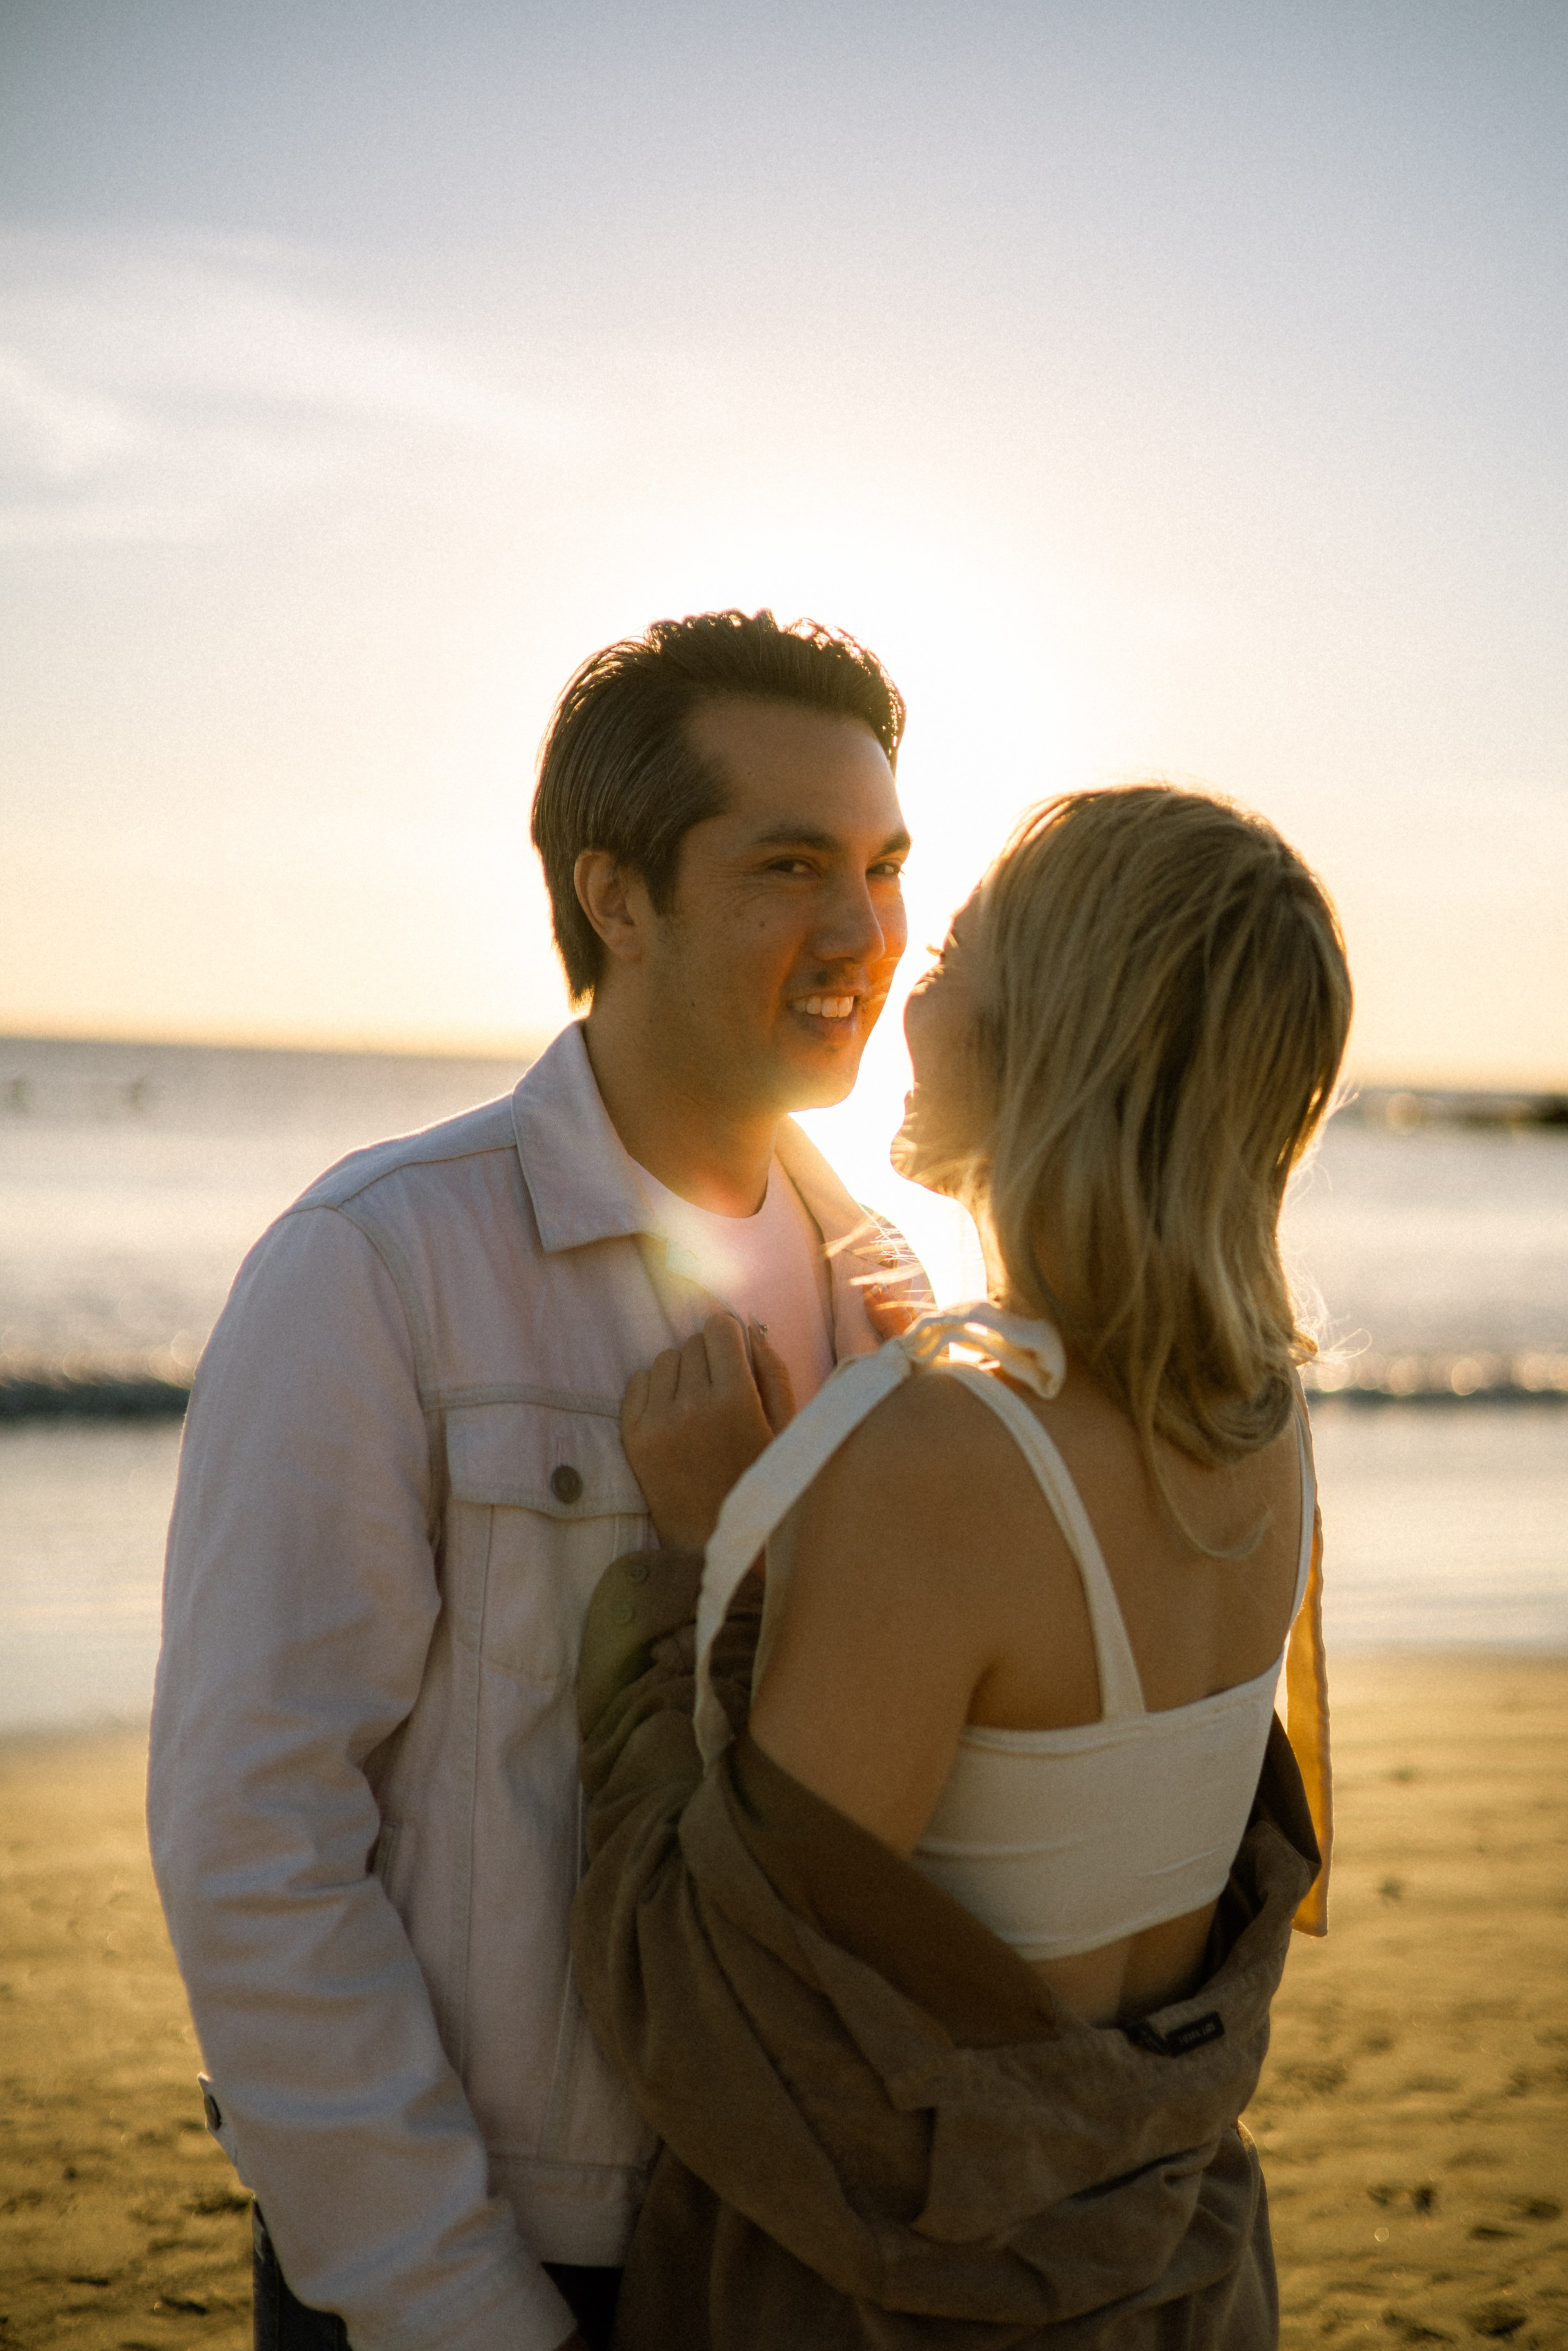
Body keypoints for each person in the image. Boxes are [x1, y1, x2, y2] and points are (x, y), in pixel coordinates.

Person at [147, 609, 931, 2351]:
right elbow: (253, 1833)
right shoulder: (378, 1262)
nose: (862, 930)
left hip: (798, 2244)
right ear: (617, 896)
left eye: (883, 866)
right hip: (496, 2249)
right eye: (790, 864)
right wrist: (453, 2299)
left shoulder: (888, 1291)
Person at [568, 782, 1351, 2347]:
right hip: (1168, 2266)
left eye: (947, 961)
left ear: (1052, 1036)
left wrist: (700, 1564)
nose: (898, 978)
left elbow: (719, 2012)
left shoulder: (943, 1460)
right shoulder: (1263, 1429)